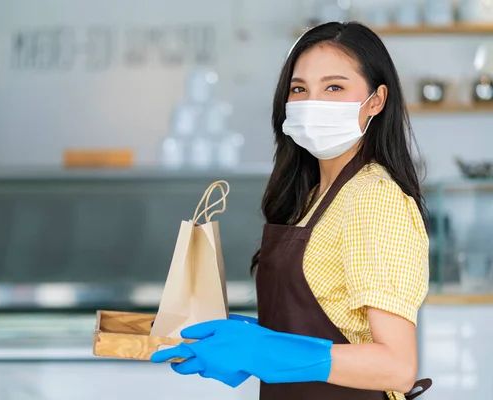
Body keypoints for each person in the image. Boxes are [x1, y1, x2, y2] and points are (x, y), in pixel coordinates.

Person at [151, 21, 432, 400]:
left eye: (334, 87)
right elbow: (323, 329)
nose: (312, 101)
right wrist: (251, 342)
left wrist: (262, 350)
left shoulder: (373, 197)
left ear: (376, 101)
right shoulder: (313, 195)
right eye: (299, 89)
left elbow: (396, 368)